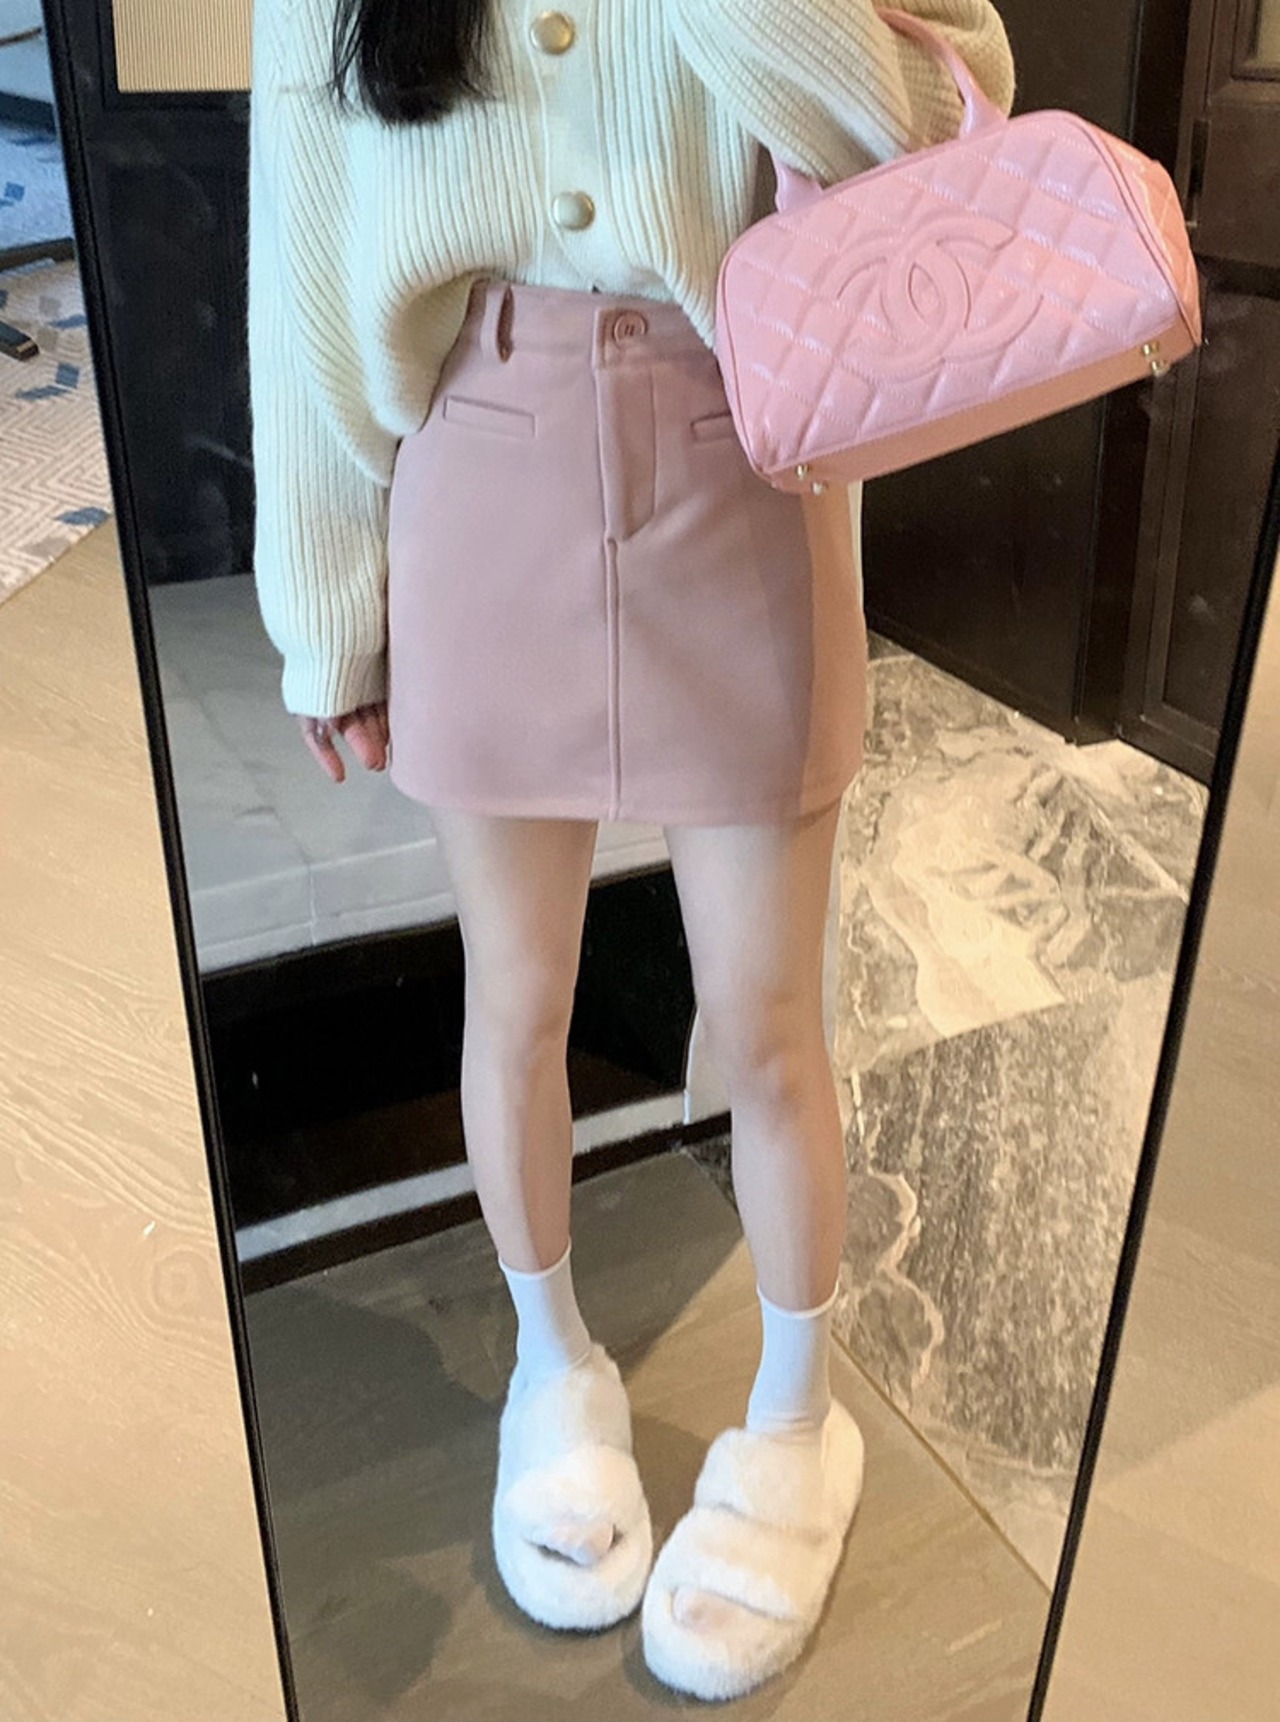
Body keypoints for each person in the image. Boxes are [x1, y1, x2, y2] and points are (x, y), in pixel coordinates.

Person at [247, 0, 1015, 1699]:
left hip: (747, 448)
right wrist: (325, 606)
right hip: (475, 458)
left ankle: (798, 1424)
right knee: (515, 1000)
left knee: (768, 1018)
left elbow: (921, 123)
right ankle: (553, 1369)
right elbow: (299, 238)